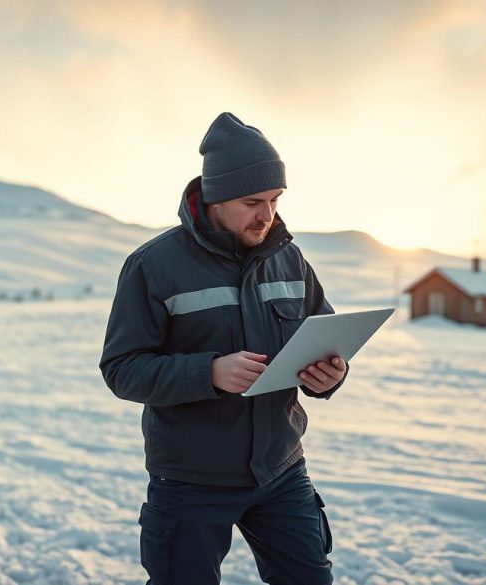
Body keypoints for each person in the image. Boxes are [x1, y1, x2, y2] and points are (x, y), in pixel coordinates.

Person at [100, 112, 348, 584]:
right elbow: (122, 369)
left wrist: (331, 375)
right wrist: (208, 372)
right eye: (253, 201)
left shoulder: (288, 258)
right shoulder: (154, 266)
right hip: (191, 481)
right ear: (214, 197)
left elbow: (326, 336)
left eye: (275, 200)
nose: (267, 215)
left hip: (281, 471)